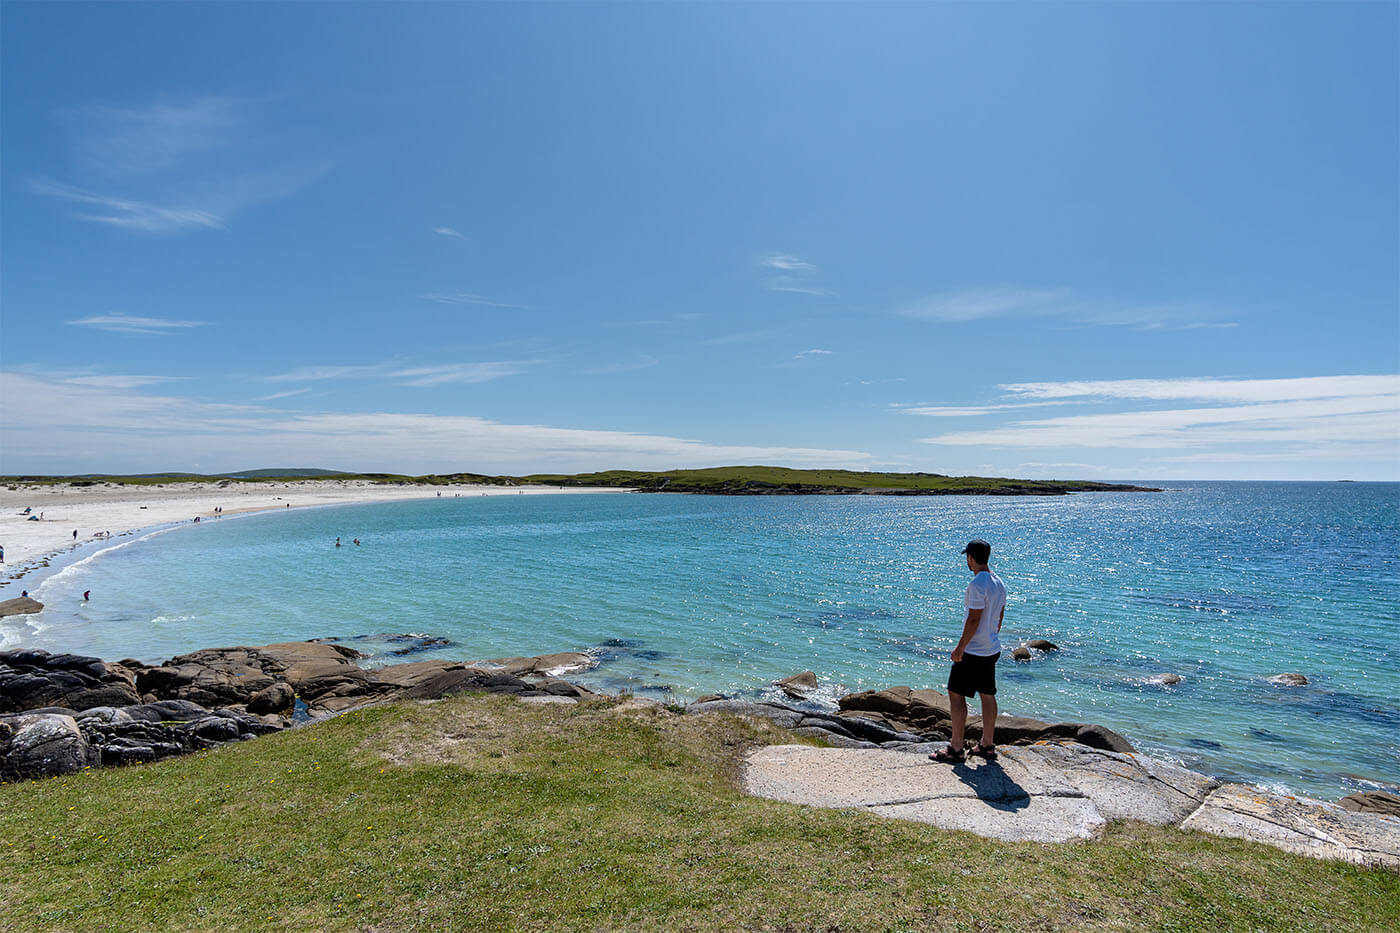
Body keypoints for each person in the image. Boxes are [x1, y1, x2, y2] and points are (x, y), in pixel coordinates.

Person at [929, 539, 1007, 764]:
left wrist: (960, 647)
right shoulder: (998, 582)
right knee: (987, 694)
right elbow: (1000, 615)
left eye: (967, 557)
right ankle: (987, 745)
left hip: (973, 650)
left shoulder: (976, 584)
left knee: (955, 693)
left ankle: (955, 748)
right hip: (991, 648)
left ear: (971, 558)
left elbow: (973, 619)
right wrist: (991, 636)